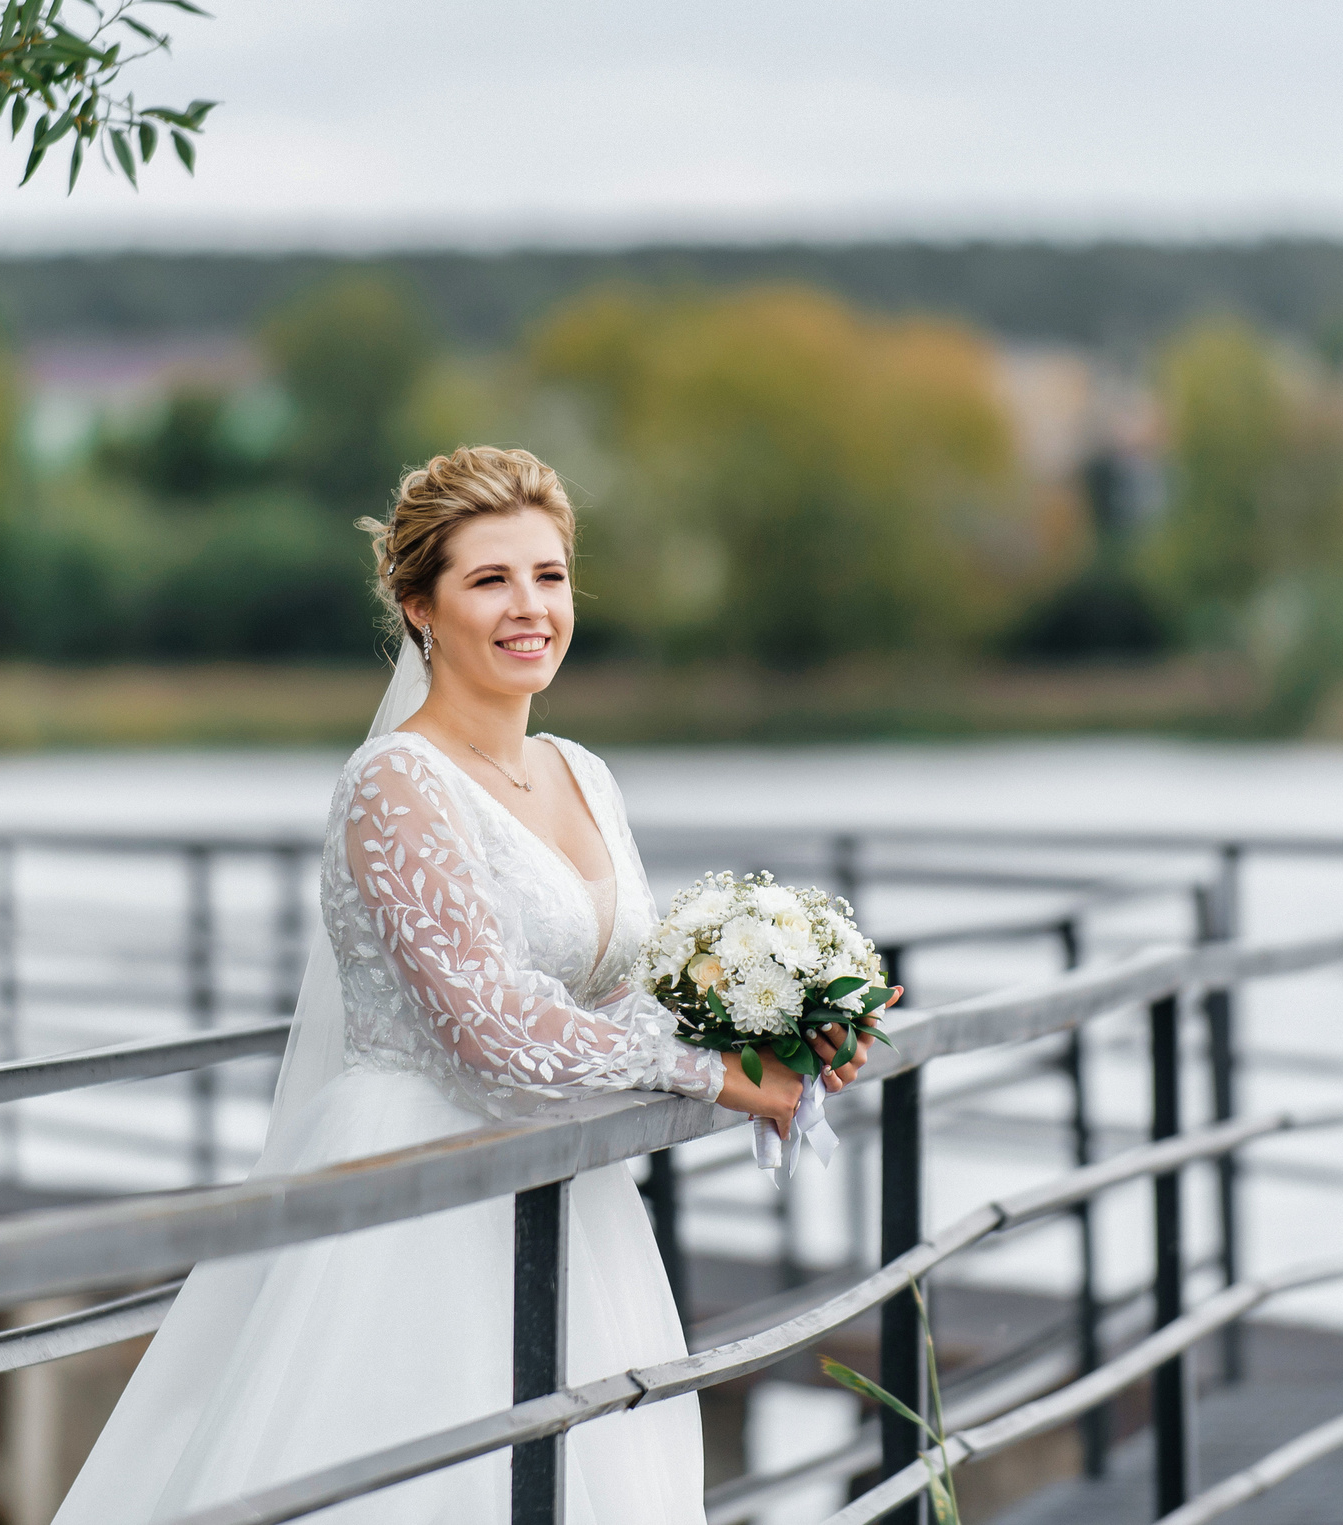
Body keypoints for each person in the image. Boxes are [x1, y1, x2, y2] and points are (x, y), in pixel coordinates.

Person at [54, 446, 893, 1523]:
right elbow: (490, 1029)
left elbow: (619, 993)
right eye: (489, 579)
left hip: (572, 1191)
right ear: (419, 605)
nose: (528, 606)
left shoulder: (583, 771)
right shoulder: (394, 782)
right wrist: (724, 1078)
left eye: (548, 575)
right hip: (418, 1187)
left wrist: (777, 1027)